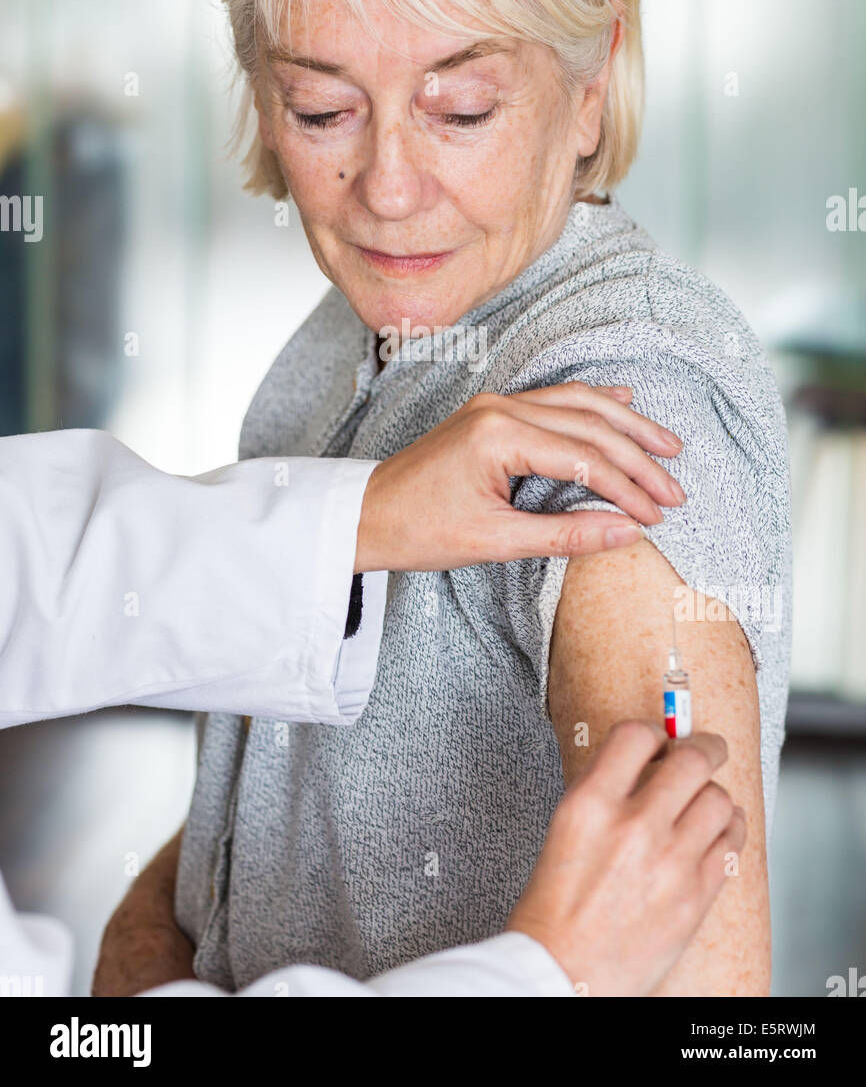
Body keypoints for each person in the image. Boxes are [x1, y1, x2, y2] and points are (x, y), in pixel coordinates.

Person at [97, 0, 792, 998]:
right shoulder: (337, 344)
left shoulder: (627, 389)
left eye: (459, 108)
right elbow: (263, 799)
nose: (388, 188)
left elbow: (702, 979)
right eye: (321, 111)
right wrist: (146, 943)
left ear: (588, 91)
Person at [0, 390, 745, 997]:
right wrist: (547, 972)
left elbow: (33, 561)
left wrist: (360, 517)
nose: (387, 196)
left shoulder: (648, 368)